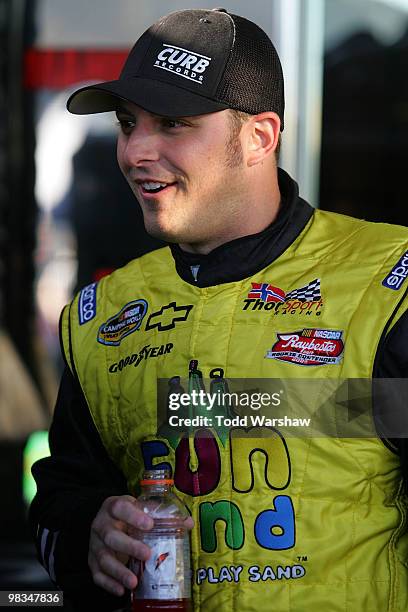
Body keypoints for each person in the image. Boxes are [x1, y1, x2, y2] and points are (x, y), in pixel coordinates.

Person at [29, 8, 408, 612]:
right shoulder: (102, 317)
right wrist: (89, 533)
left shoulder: (386, 285)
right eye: (129, 124)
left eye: (173, 124)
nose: (134, 152)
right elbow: (60, 503)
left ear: (258, 137)